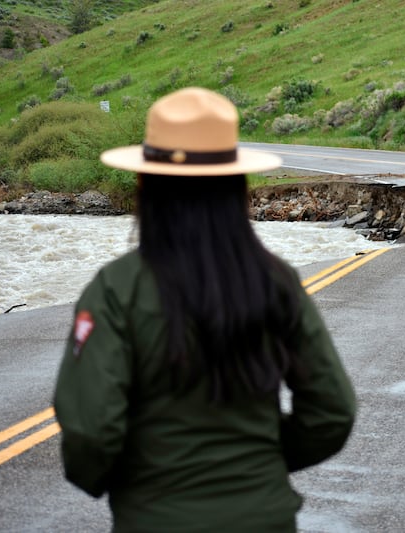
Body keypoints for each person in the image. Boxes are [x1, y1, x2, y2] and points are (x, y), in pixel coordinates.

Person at [53, 87, 357, 532]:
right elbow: (333, 412)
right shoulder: (276, 281)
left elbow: (89, 429)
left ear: (145, 184)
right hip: (265, 517)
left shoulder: (117, 289)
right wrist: (263, 459)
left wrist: (119, 480)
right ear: (238, 185)